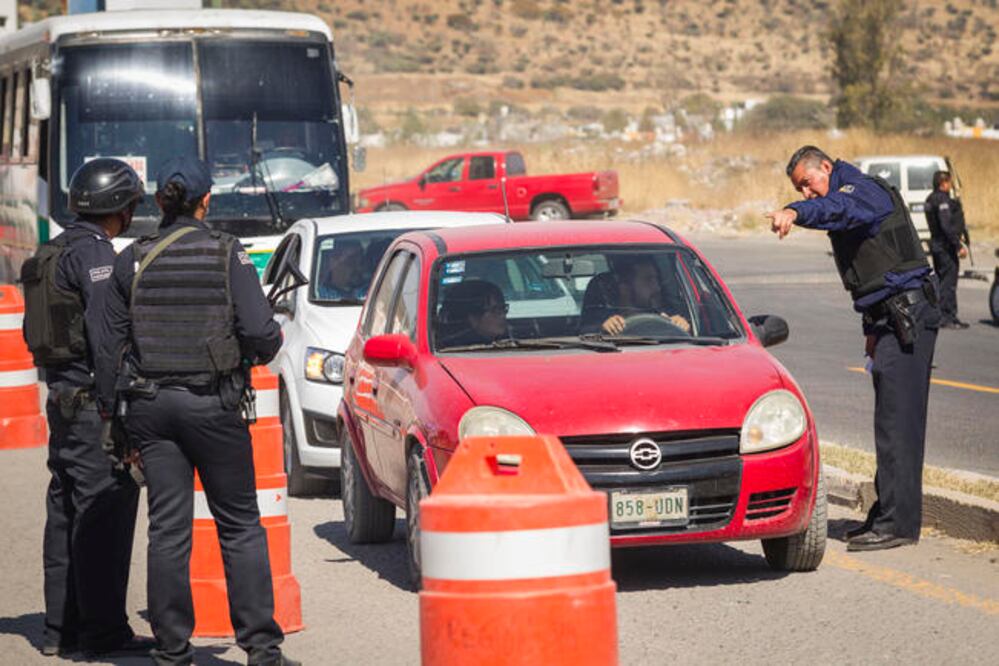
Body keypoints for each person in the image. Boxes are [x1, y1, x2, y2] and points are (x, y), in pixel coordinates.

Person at [93, 157, 299, 666]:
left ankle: (170, 648)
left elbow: (108, 341)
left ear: (160, 201)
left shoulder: (131, 259)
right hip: (213, 406)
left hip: (149, 407)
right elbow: (259, 334)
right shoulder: (228, 254)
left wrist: (110, 415)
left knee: (167, 528)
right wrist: (263, 343)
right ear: (207, 201)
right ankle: (262, 648)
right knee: (240, 526)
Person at [766, 145, 939, 552]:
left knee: (899, 424)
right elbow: (871, 274)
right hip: (888, 319)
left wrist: (795, 211)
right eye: (800, 190)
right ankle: (887, 513)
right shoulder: (846, 193)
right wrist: (871, 328)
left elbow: (838, 211)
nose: (809, 194)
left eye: (807, 184)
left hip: (908, 319)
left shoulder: (863, 191)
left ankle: (899, 523)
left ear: (826, 167)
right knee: (890, 421)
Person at [19, 158, 151, 657]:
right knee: (104, 517)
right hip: (91, 403)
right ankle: (102, 633)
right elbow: (104, 334)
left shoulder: (53, 250)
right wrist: (119, 407)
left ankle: (60, 629)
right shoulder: (96, 255)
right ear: (120, 206)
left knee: (66, 512)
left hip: (60, 397)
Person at [580, 255, 691, 335]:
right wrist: (601, 330)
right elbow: (581, 336)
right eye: (648, 280)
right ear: (625, 287)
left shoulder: (667, 317)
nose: (657, 287)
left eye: (657, 280)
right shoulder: (601, 322)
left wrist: (682, 327)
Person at [924, 171, 969, 329]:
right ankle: (947, 317)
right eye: (949, 183)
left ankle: (948, 315)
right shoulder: (942, 200)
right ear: (943, 183)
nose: (950, 186)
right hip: (945, 246)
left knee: (943, 280)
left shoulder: (930, 199)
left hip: (937, 244)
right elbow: (945, 225)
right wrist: (957, 245)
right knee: (948, 282)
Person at [438, 279, 509, 346]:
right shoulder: (455, 350)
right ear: (473, 318)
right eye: (495, 310)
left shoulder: (511, 340)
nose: (503, 315)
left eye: (503, 308)